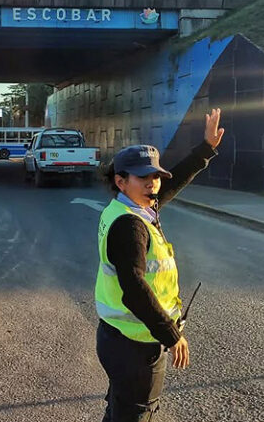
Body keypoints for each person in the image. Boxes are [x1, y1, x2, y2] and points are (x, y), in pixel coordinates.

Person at [95, 108, 225, 421]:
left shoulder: (129, 207)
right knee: (138, 413)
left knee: (120, 410)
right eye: (144, 177)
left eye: (156, 175)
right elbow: (134, 288)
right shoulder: (130, 225)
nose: (153, 183)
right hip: (135, 345)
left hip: (118, 337)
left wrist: (206, 149)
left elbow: (174, 180)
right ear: (121, 181)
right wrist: (171, 334)